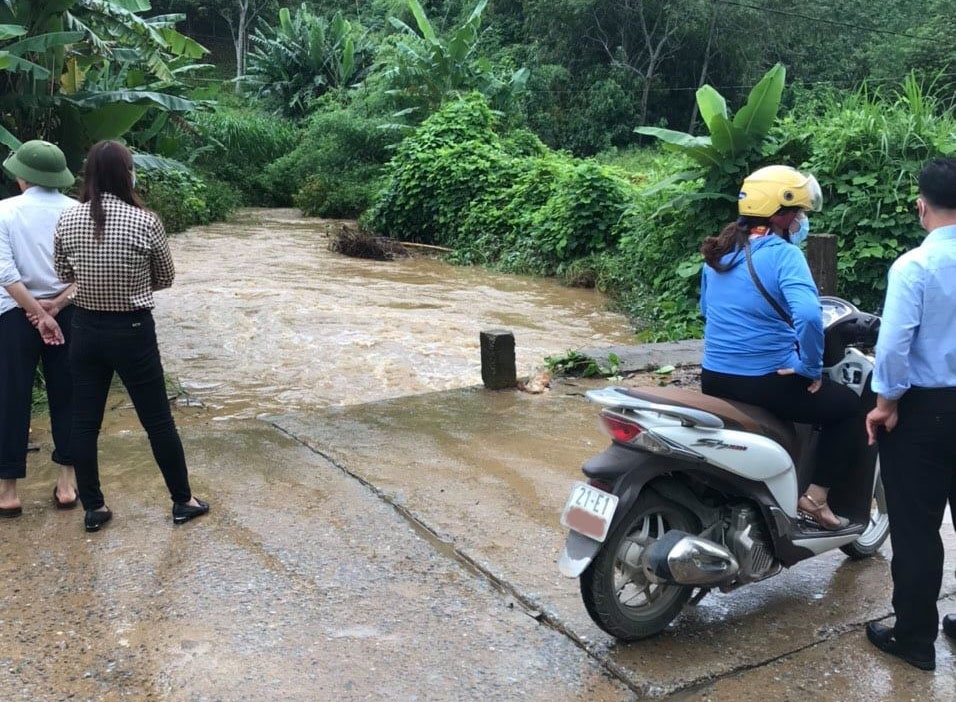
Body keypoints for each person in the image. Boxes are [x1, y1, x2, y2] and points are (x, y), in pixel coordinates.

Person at [53, 140, 209, 532]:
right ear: (127, 174)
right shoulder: (145, 221)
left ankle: (95, 508)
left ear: (88, 174)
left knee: (85, 423)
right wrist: (132, 286)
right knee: (157, 421)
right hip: (133, 330)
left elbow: (63, 274)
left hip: (85, 328)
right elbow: (166, 277)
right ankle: (182, 501)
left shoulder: (68, 219)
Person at [699, 165, 864, 530]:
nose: (801, 221)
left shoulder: (718, 254)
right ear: (781, 215)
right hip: (762, 379)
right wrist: (808, 365)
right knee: (848, 408)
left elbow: (707, 311)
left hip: (713, 377)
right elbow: (807, 316)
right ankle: (816, 498)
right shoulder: (784, 255)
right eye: (799, 213)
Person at [864, 157, 956, 672]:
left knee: (918, 529)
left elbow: (894, 345)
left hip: (926, 413)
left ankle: (916, 640)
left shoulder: (915, 266)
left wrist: (885, 404)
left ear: (922, 205)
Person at [0, 140, 78, 518]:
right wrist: (55, 308)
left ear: (21, 177)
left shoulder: (4, 212)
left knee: (11, 395)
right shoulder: (79, 211)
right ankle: (67, 484)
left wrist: (34, 311)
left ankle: (8, 491)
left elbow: (5, 273)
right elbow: (88, 272)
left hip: (14, 313)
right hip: (66, 313)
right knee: (68, 395)